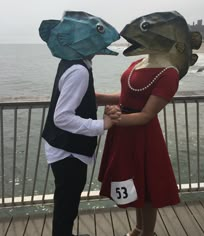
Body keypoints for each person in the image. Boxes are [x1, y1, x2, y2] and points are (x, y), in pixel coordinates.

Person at [97, 11, 202, 236]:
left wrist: (115, 119)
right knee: (135, 184)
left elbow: (146, 115)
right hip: (124, 131)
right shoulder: (139, 61)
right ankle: (138, 227)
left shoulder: (169, 74)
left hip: (143, 135)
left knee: (147, 190)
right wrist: (99, 97)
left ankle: (148, 233)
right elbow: (126, 95)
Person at [38, 11, 120, 236]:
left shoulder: (72, 62)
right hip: (68, 152)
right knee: (67, 204)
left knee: (66, 202)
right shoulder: (79, 71)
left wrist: (118, 98)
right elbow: (62, 117)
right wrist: (102, 125)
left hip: (62, 147)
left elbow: (84, 96)